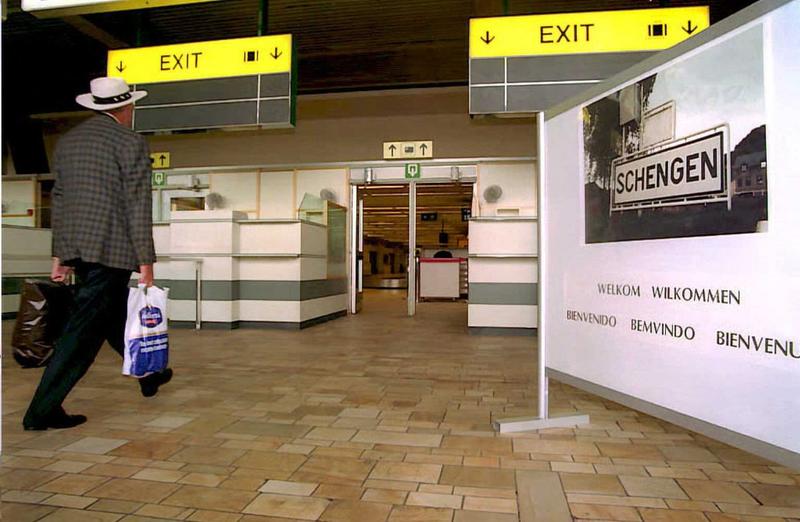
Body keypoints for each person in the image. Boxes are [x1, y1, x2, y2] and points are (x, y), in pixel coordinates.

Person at [22, 77, 173, 431]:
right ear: (126, 107)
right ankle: (41, 412)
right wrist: (146, 262)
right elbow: (137, 204)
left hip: (78, 247)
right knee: (82, 334)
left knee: (109, 315)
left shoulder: (69, 142)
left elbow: (59, 201)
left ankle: (151, 372)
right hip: (113, 249)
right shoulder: (130, 141)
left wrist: (59, 256)